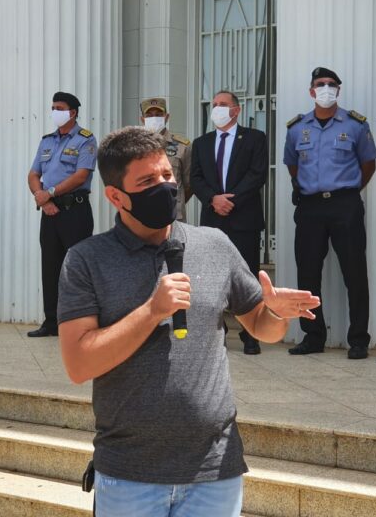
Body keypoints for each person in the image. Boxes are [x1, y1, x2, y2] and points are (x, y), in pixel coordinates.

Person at [58, 126, 319, 517]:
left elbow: (261, 327)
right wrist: (151, 312)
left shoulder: (214, 243)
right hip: (131, 473)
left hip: (214, 469)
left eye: (167, 175)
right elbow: (79, 364)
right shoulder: (86, 260)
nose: (164, 186)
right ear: (116, 196)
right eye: (147, 181)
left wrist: (277, 312)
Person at [283, 67, 376, 359]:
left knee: (354, 272)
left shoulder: (355, 125)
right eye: (320, 84)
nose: (325, 88)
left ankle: (359, 339)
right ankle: (313, 336)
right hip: (310, 206)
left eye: (331, 84)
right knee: (308, 273)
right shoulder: (297, 128)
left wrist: (348, 191)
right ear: (312, 91)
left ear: (338, 90)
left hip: (345, 205)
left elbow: (369, 164)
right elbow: (293, 165)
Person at [191, 90, 267, 355]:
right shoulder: (201, 143)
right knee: (212, 277)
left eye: (222, 105)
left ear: (236, 110)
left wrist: (230, 200)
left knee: (248, 277)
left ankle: (251, 334)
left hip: (243, 217)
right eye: (214, 105)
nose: (217, 109)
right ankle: (217, 333)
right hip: (213, 219)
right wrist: (213, 199)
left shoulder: (255, 138)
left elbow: (257, 174)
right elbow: (196, 178)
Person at [27, 91, 96, 337]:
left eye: (59, 107)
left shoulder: (85, 139)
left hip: (75, 210)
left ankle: (79, 321)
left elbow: (81, 175)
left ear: (72, 112)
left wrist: (51, 192)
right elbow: (33, 174)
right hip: (50, 212)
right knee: (50, 266)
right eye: (53, 107)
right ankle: (51, 321)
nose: (54, 111)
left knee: (77, 268)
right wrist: (43, 199)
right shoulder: (47, 141)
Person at [140, 97, 192, 221]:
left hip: (173, 215)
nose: (154, 118)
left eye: (159, 114)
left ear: (166, 117)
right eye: (149, 115)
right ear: (142, 119)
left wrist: (176, 201)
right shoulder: (133, 146)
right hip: (142, 214)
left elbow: (189, 185)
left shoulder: (182, 146)